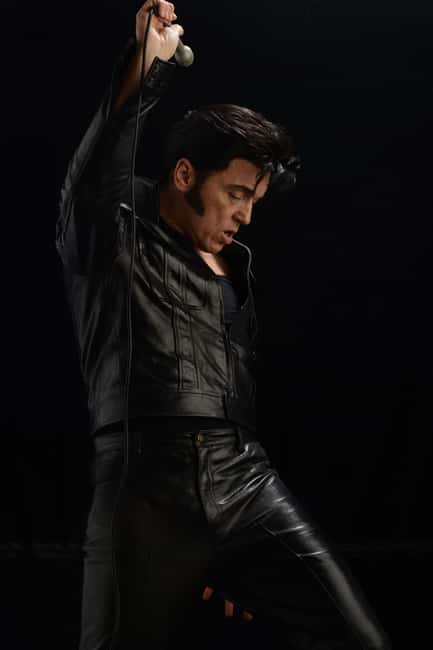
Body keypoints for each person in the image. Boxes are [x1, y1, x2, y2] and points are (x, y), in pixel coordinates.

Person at [55, 2, 393, 649]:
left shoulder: (233, 263)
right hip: (145, 489)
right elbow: (97, 169)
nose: (246, 216)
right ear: (184, 174)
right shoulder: (113, 238)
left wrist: (226, 564)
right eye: (236, 195)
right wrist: (146, 68)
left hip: (244, 479)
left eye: (254, 200)